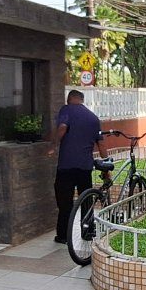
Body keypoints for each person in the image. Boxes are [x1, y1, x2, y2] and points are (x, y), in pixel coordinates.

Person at [50, 89, 109, 244]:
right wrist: (106, 165)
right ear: (82, 100)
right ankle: (87, 232)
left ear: (69, 99)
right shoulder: (93, 118)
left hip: (66, 166)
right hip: (85, 167)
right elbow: (101, 145)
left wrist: (53, 145)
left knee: (65, 202)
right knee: (86, 200)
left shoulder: (66, 110)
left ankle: (63, 236)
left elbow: (62, 127)